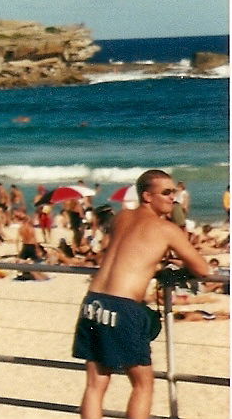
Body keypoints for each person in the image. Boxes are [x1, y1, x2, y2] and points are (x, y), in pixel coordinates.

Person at [73, 169, 210, 419]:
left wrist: (154, 264)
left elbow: (129, 251)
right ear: (147, 196)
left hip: (93, 302)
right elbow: (202, 268)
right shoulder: (167, 229)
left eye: (175, 192)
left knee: (95, 384)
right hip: (123, 306)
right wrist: (171, 269)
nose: (174, 198)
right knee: (143, 384)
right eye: (167, 193)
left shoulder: (121, 217)